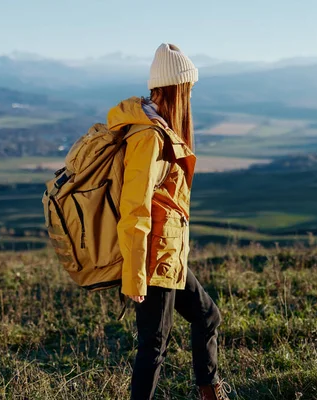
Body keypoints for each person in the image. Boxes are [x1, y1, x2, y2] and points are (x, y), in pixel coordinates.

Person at [107, 43, 231, 400]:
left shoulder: (159, 127)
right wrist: (135, 274)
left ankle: (210, 392)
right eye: (186, 91)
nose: (189, 99)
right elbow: (135, 206)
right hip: (152, 259)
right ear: (174, 90)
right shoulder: (149, 136)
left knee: (207, 316)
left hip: (167, 255)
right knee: (154, 346)